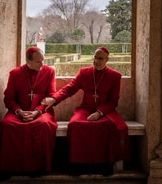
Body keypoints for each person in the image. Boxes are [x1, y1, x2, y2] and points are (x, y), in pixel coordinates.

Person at [42, 46, 128, 176]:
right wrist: (54, 99)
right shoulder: (84, 73)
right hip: (86, 108)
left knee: (107, 126)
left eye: (100, 58)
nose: (96, 61)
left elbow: (113, 101)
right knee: (75, 125)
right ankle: (78, 164)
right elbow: (69, 89)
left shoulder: (115, 76)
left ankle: (104, 164)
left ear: (106, 60)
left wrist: (99, 113)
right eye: (95, 57)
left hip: (105, 111)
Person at [0, 47, 57, 178]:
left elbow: (51, 95)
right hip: (18, 111)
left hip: (42, 111)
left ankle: (38, 168)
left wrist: (38, 111)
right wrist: (19, 111)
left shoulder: (49, 72)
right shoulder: (15, 73)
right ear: (28, 61)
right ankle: (9, 168)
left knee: (43, 125)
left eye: (43, 60)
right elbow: (9, 98)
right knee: (6, 126)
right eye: (38, 62)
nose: (42, 64)